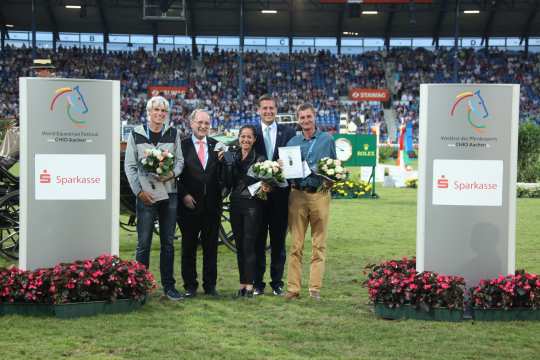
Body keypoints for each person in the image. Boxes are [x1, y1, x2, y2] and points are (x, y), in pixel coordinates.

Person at [124, 95, 184, 301]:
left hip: (169, 194)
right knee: (144, 243)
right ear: (148, 112)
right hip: (146, 195)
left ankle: (169, 287)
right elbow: (129, 166)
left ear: (167, 114)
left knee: (168, 242)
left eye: (163, 111)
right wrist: (139, 192)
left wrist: (171, 174)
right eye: (156, 110)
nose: (159, 114)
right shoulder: (136, 134)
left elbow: (180, 163)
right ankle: (140, 288)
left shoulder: (173, 133)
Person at [284, 103, 336, 301]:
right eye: (302, 117)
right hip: (297, 194)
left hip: (319, 195)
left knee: (319, 244)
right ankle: (293, 288)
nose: (306, 120)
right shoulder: (292, 143)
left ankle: (314, 288)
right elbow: (287, 171)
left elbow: (335, 165)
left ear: (315, 117)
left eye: (309, 116)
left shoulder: (326, 140)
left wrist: (331, 180)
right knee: (296, 245)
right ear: (298, 120)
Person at [177, 109, 224, 298]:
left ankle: (210, 286)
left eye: (207, 123)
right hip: (189, 206)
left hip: (212, 206)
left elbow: (223, 175)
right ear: (191, 123)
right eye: (200, 122)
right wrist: (184, 195)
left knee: (211, 248)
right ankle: (190, 286)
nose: (203, 126)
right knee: (188, 247)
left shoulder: (217, 146)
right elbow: (174, 176)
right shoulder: (181, 146)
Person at [252, 94, 295, 296]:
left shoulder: (288, 132)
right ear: (258, 110)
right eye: (264, 108)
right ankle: (258, 283)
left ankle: (277, 282)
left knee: (278, 241)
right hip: (258, 195)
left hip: (280, 195)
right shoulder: (251, 133)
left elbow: (294, 159)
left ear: (276, 110)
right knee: (258, 241)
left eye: (271, 108)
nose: (268, 111)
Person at [223, 125, 269, 298]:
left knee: (249, 246)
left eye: (249, 137)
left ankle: (250, 286)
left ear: (254, 139)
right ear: (239, 137)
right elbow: (228, 182)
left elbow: (263, 186)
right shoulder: (232, 156)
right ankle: (242, 284)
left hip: (252, 206)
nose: (245, 140)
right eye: (243, 136)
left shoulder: (260, 158)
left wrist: (265, 186)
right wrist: (226, 164)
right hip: (235, 205)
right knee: (240, 246)